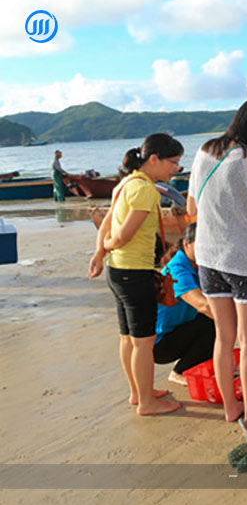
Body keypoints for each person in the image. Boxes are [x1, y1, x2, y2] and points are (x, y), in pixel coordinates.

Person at [186, 98, 247, 430]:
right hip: (242, 259)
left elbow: (191, 205)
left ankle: (230, 407)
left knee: (223, 338)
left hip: (208, 258)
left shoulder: (203, 151)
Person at [88, 133, 184, 416]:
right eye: (173, 162)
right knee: (144, 340)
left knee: (128, 338)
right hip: (133, 272)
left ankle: (138, 393)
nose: (176, 169)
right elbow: (120, 235)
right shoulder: (145, 190)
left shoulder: (126, 183)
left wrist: (99, 254)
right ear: (153, 159)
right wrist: (107, 246)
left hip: (118, 272)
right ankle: (147, 402)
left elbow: (106, 223)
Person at [153, 222, 215, 386]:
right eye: (200, 245)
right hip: (158, 344)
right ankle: (179, 372)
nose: (205, 250)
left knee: (220, 317)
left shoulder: (201, 265)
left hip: (180, 329)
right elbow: (205, 306)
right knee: (215, 322)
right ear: (186, 244)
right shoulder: (178, 269)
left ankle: (191, 364)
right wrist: (241, 326)